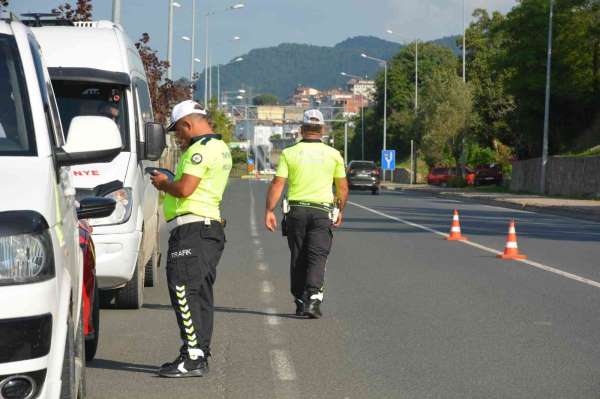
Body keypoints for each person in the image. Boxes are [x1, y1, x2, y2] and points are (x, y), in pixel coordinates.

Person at [150, 100, 232, 378]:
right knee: (201, 294)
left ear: (188, 124)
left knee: (183, 290)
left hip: (192, 229)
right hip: (207, 228)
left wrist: (164, 183)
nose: (178, 137)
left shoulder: (199, 151)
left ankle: (192, 356)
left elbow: (185, 189)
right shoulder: (220, 148)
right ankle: (198, 353)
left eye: (178, 131)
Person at [265, 109, 349, 319]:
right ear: (322, 129)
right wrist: (339, 210)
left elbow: (278, 184)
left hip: (296, 211)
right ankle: (313, 298)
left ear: (301, 129)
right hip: (322, 211)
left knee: (298, 255)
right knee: (317, 255)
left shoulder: (289, 153)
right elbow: (342, 188)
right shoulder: (333, 154)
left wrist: (269, 210)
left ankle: (301, 299)